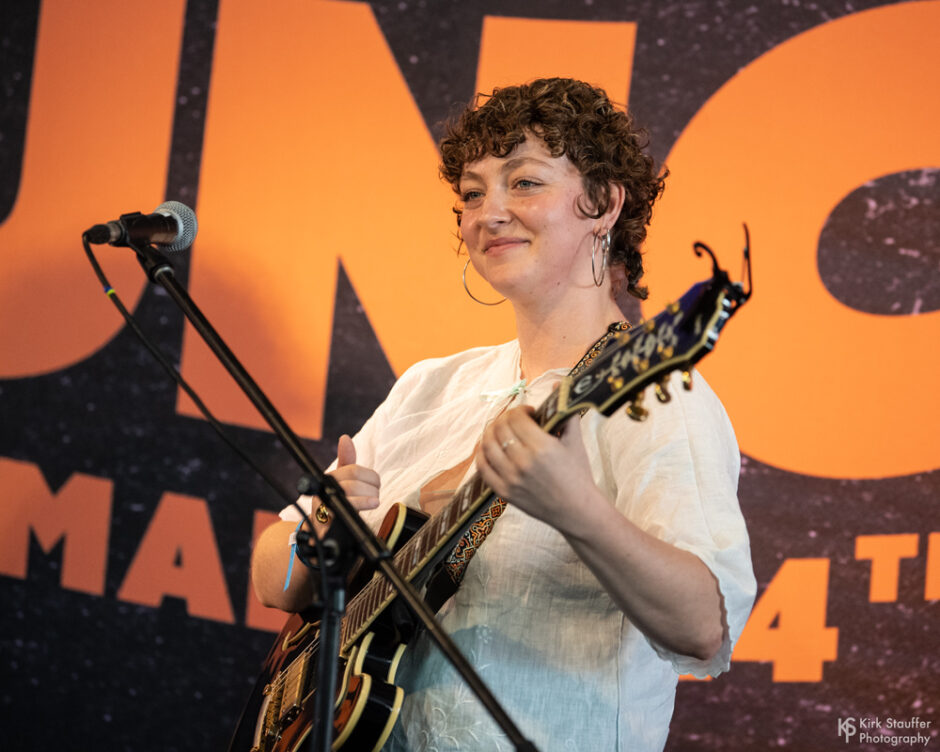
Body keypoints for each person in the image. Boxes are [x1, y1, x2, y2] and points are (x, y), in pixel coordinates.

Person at [251, 77, 756, 752]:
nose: (488, 213)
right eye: (471, 193)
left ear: (604, 205)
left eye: (524, 183)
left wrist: (578, 511)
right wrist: (325, 535)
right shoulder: (431, 386)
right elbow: (270, 578)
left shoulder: (658, 396)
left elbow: (705, 631)